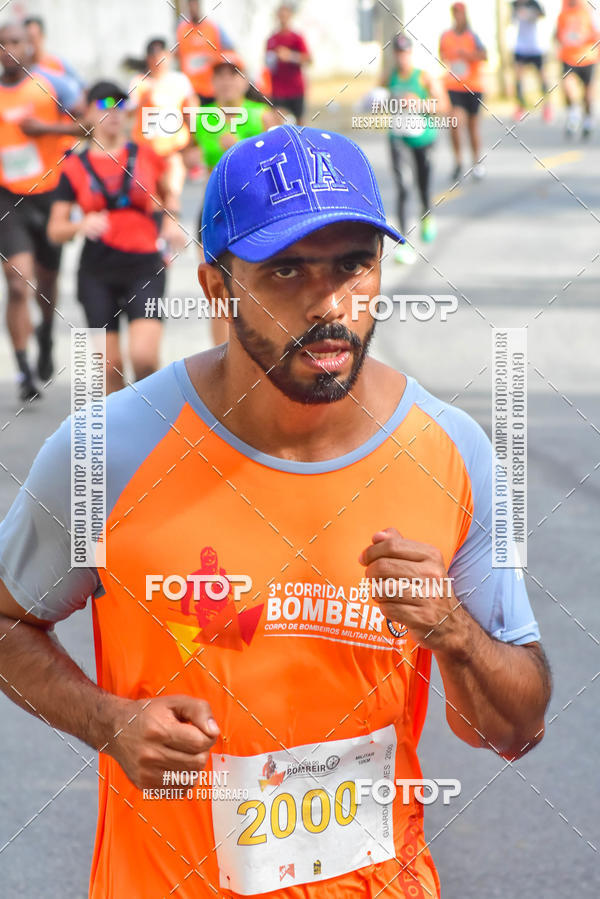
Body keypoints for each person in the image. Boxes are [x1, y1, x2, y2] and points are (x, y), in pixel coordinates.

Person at [0, 123, 551, 897]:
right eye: (287, 269)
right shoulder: (105, 451)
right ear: (217, 286)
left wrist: (455, 631)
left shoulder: (451, 451)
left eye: (353, 265)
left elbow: (517, 726)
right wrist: (107, 723)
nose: (330, 302)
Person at [47, 81, 186, 394]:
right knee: (109, 369)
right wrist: (80, 226)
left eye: (120, 106)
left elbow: (168, 190)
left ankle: (153, 427)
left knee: (144, 358)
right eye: (105, 106)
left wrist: (170, 220)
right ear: (90, 114)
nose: (113, 113)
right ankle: (124, 438)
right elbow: (56, 230)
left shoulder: (145, 155)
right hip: (97, 271)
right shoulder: (74, 167)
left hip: (145, 266)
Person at [0, 21, 84, 401]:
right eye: (2, 44)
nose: (8, 49)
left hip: (51, 194)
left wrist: (47, 129)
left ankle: (47, 338)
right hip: (7, 198)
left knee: (46, 285)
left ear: (29, 45)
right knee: (18, 281)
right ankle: (23, 371)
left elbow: (90, 124)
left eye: (15, 42)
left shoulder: (54, 83)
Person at [193, 52, 280, 344]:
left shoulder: (263, 115)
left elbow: (281, 160)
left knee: (259, 291)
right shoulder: (202, 117)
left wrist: (242, 148)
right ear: (212, 82)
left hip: (257, 213)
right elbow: (183, 154)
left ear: (244, 81)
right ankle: (222, 365)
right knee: (218, 294)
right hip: (214, 213)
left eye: (234, 74)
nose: (227, 81)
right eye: (220, 75)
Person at [387, 33, 445, 265]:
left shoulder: (423, 78)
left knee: (423, 185)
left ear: (410, 53)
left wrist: (418, 104)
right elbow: (377, 97)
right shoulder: (389, 77)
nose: (402, 58)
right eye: (398, 53)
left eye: (405, 53)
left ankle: (426, 215)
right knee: (403, 187)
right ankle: (404, 244)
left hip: (424, 138)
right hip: (398, 136)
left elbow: (443, 105)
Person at [129, 37, 198, 203]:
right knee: (152, 199)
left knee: (172, 193)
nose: (158, 61)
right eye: (153, 57)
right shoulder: (139, 82)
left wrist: (193, 143)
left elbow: (191, 110)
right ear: (148, 59)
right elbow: (128, 114)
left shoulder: (180, 80)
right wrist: (145, 99)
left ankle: (172, 224)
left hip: (174, 149)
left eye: (161, 56)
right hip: (147, 151)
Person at [439, 1, 487, 181]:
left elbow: (484, 56)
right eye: (455, 13)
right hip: (453, 86)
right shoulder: (446, 36)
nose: (457, 17)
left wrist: (467, 55)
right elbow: (443, 55)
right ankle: (458, 161)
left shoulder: (473, 36)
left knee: (472, 127)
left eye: (460, 13)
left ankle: (476, 162)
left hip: (473, 86)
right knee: (455, 122)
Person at [176, 0, 235, 104]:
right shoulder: (182, 29)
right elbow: (177, 54)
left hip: (211, 88)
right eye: (190, 4)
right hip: (191, 90)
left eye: (195, 4)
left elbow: (230, 50)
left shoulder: (213, 27)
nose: (193, 8)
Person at [556, 0, 599, 138]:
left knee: (587, 95)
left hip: (587, 57)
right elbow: (558, 33)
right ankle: (573, 115)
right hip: (569, 58)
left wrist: (584, 38)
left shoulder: (589, 10)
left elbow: (596, 34)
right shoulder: (564, 10)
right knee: (568, 87)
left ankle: (587, 119)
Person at [266, 2, 312, 124]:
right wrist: (273, 59)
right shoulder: (271, 39)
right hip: (278, 89)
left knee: (299, 122)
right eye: (281, 15)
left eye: (285, 15)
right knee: (278, 122)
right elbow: (267, 63)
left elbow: (309, 59)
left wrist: (290, 56)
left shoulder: (297, 38)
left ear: (290, 16)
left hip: (296, 88)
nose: (283, 19)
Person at [511, 0, 552, 121]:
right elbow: (511, 21)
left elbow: (542, 15)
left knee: (542, 77)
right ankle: (520, 106)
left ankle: (547, 106)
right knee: (518, 78)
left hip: (536, 47)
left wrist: (530, 14)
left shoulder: (534, 4)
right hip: (521, 47)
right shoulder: (514, 5)